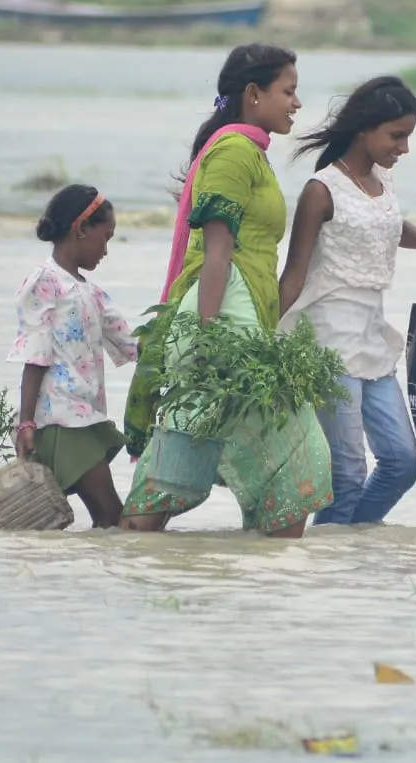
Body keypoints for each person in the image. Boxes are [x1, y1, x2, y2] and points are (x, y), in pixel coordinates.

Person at [121, 44, 333, 538]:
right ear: (254, 94)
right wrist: (206, 337)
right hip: (226, 324)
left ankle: (133, 546)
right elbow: (217, 251)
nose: (297, 104)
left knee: (180, 460)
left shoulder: (250, 153)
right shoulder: (234, 151)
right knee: (303, 460)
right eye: (289, 91)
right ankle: (258, 575)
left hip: (243, 322)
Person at [278, 77, 416, 526]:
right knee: (347, 471)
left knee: (402, 460)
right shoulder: (321, 190)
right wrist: (265, 341)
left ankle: (349, 552)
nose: (404, 148)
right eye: (397, 136)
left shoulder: (382, 181)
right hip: (327, 345)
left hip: (372, 340)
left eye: (408, 136)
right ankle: (342, 579)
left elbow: (390, 226)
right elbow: (294, 273)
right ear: (364, 129)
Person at [9, 185, 138, 528]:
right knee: (112, 516)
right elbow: (35, 355)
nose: (107, 250)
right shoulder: (45, 282)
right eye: (105, 237)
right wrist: (26, 423)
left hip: (84, 417)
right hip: (60, 420)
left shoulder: (92, 293)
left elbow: (132, 345)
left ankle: (82, 575)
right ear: (81, 229)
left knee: (107, 518)